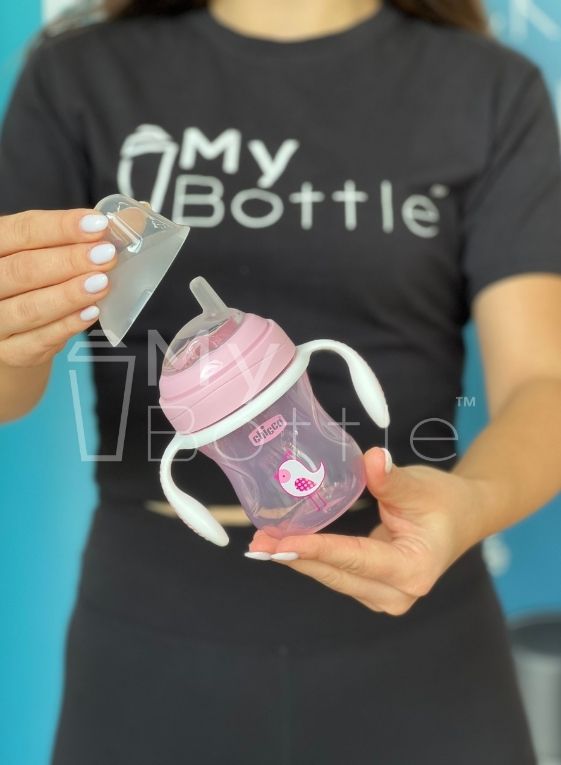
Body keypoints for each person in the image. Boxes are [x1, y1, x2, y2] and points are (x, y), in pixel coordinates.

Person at [1, 0, 560, 762]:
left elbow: (542, 380)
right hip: (148, 640)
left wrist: (470, 504)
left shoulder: (487, 88)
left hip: (422, 626)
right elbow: (9, 391)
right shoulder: (80, 75)